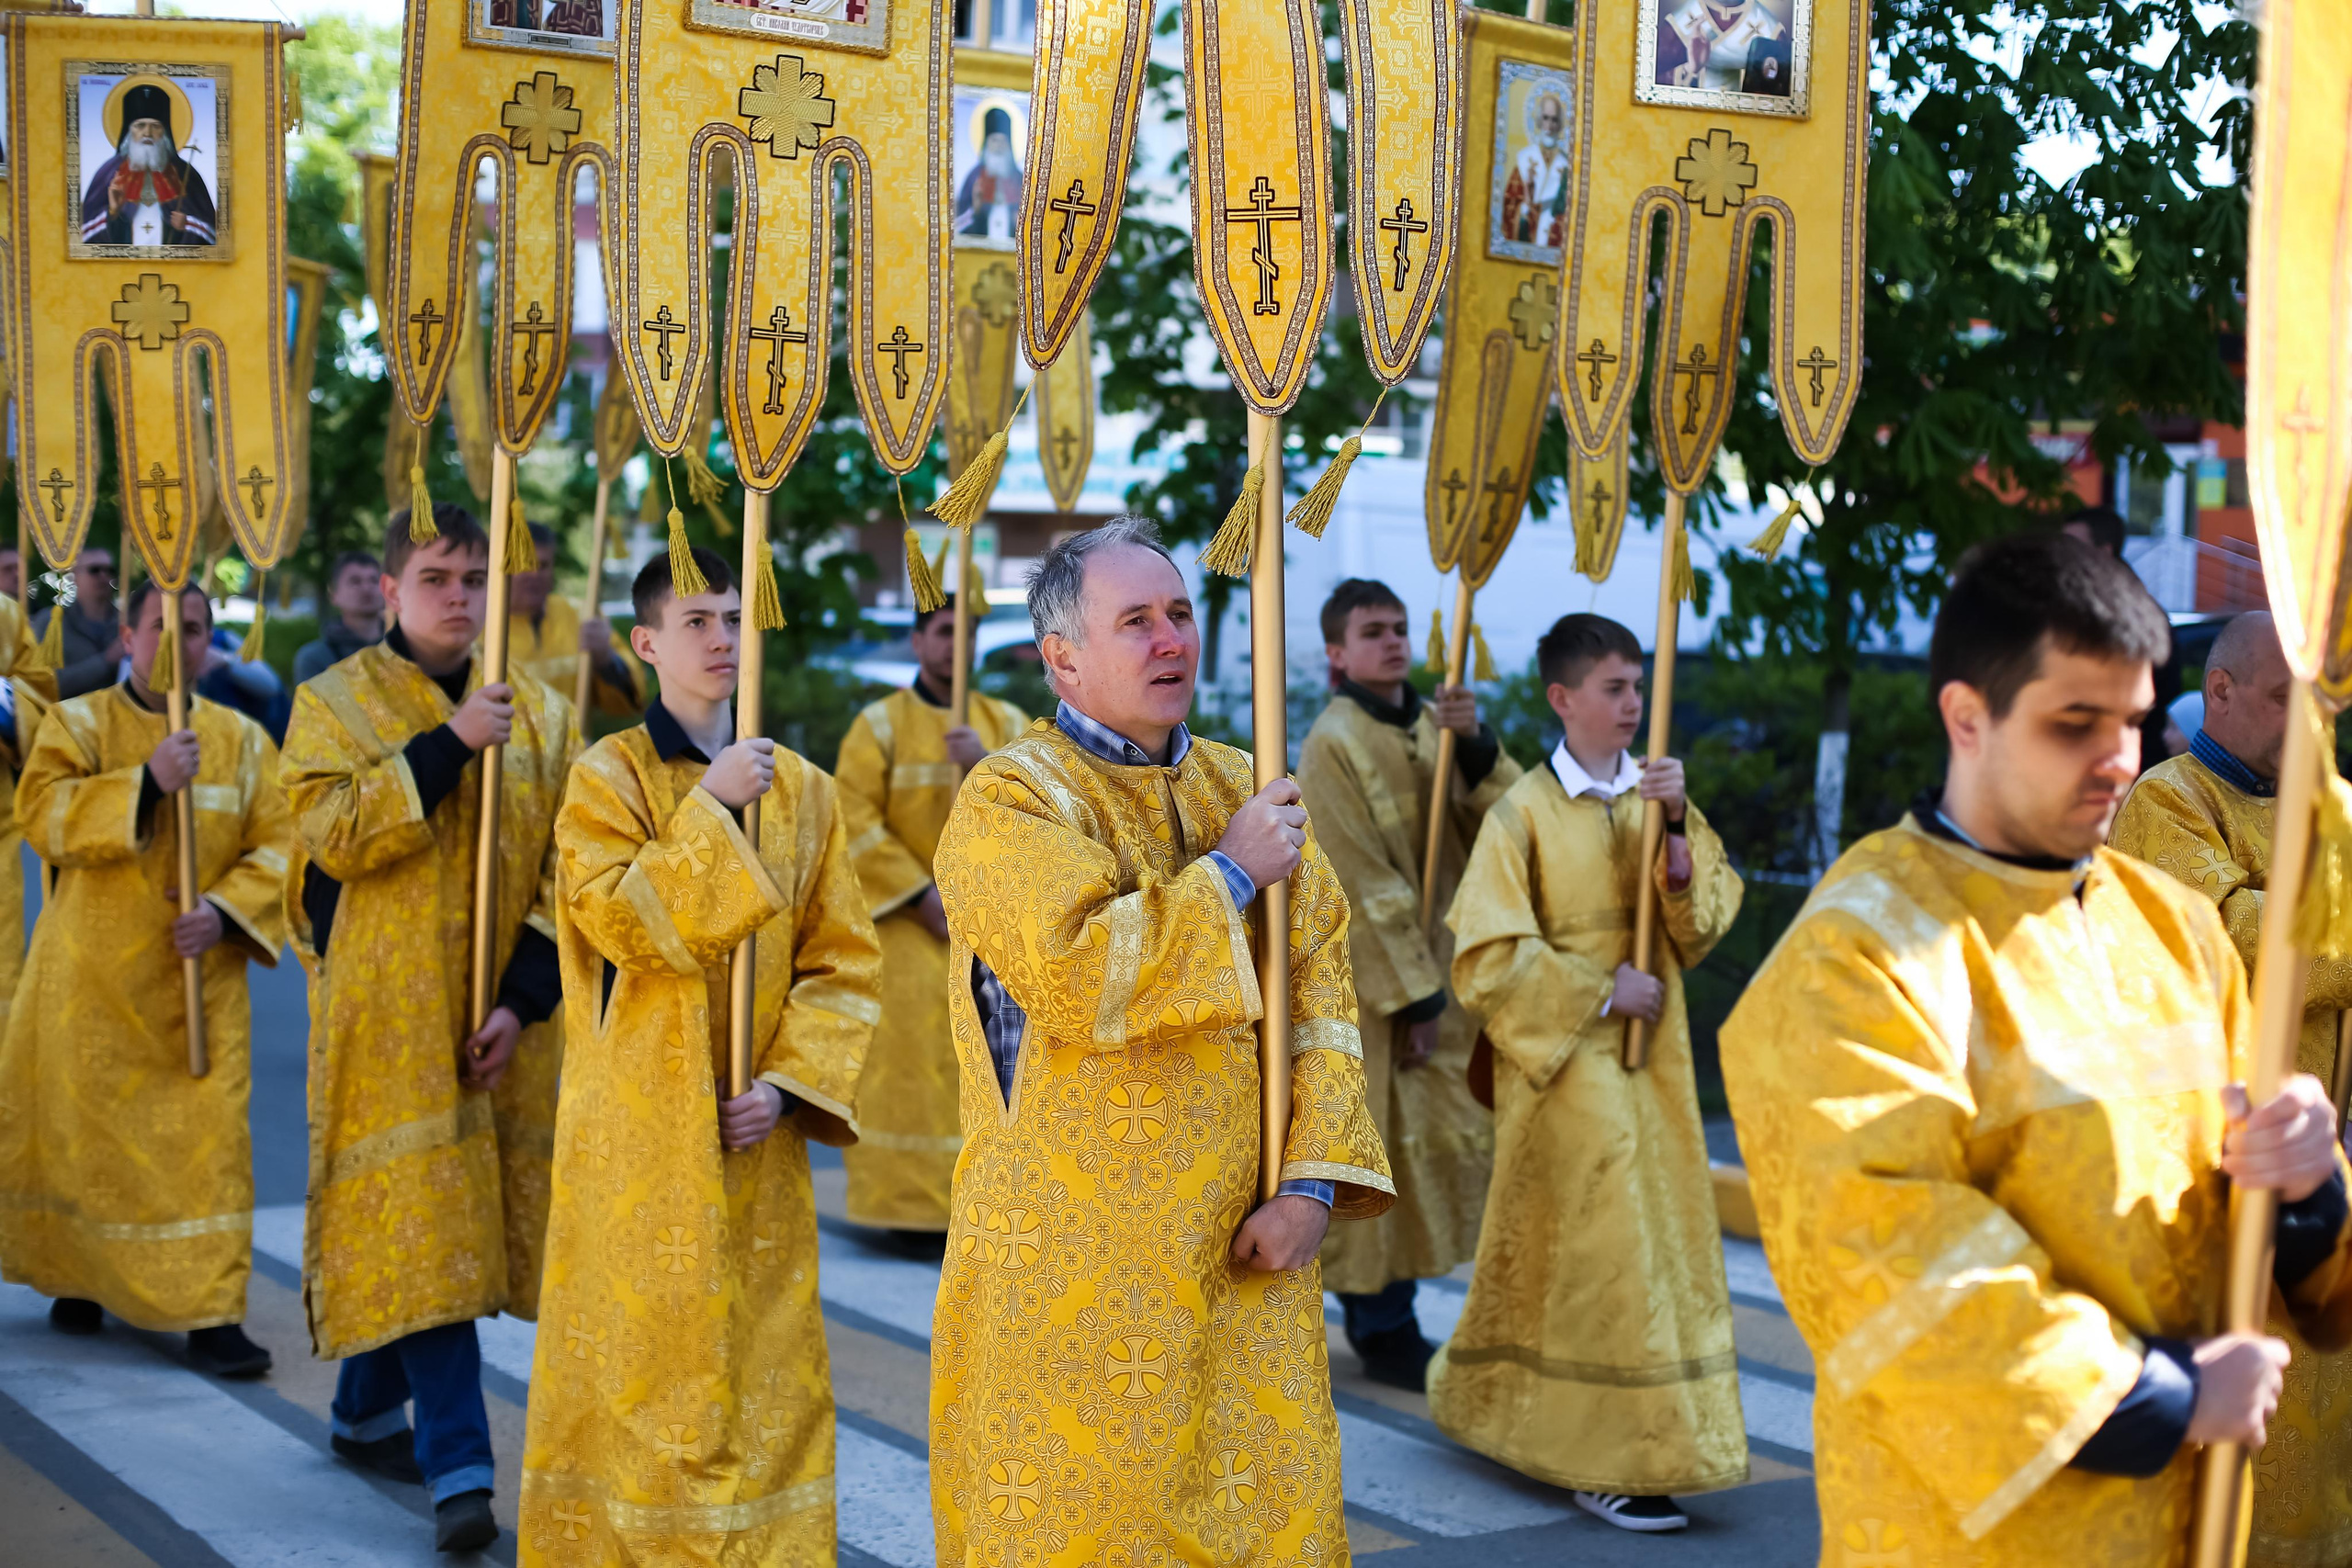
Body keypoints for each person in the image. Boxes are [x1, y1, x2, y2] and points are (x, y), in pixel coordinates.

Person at [1722, 534, 2352, 1565]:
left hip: (2193, 1527)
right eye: (2075, 724)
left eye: (2134, 722)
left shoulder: (2173, 926)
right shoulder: (1857, 952)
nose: (2118, 759)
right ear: (1967, 717)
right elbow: (1885, 1255)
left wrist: (2306, 1187)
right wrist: (2168, 1394)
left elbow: (2252, 1172)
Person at [929, 517, 1392, 1564]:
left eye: (1179, 613)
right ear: (1063, 658)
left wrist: (1310, 1188)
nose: (1170, 639)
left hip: (1244, 1240)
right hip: (1069, 1262)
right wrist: (1228, 877)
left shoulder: (1248, 782)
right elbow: (1077, 973)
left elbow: (1322, 991)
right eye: (1133, 620)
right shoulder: (1009, 797)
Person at [520, 547, 880, 1562]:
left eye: (733, 617)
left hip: (753, 1132)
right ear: (645, 645)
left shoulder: (804, 790)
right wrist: (713, 810)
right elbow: (619, 926)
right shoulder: (608, 777)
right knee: (646, 1361)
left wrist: (784, 1084)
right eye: (696, 622)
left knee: (760, 1361)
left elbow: (843, 960)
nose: (721, 638)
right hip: (637, 1134)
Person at [279, 504, 575, 1555]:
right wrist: (449, 746)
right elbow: (331, 834)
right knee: (425, 1227)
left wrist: (518, 1001)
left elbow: (563, 874)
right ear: (393, 588)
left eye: (478, 576)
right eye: (438, 576)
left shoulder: (543, 712)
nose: (460, 595)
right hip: (389, 1017)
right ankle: (460, 1468)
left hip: (500, 1022)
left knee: (426, 1233)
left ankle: (364, 1410)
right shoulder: (333, 701)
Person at [1428, 613, 1746, 1531]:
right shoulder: (1518, 811)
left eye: (1638, 687)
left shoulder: (1654, 796)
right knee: (1606, 1245)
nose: (1633, 705)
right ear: (1562, 699)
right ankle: (1600, 1453)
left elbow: (1700, 922)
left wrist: (1679, 842)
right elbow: (1485, 958)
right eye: (1613, 689)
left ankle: (1654, 1435)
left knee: (1661, 1236)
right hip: (1566, 1061)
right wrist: (1601, 991)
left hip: (1658, 1055)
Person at [2109, 609, 2352, 1568]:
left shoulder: (2330, 808)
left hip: (2323, 1163)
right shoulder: (2164, 801)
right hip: (2216, 1163)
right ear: (2220, 692)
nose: (2315, 729)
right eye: (2293, 702)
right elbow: (2238, 947)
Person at [0, 583, 291, 1376]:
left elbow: (280, 842)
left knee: (208, 1145)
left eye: (196, 630)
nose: (180, 642)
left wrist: (228, 912)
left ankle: (210, 1311)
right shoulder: (80, 723)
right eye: (165, 626)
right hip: (92, 985)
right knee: (86, 1143)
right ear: (130, 635)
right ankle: (83, 1275)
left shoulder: (240, 738)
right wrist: (145, 784)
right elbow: (43, 815)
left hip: (197, 983)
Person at [1295, 579, 1517, 1390]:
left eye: (1398, 628)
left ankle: (1406, 1303)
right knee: (1377, 1145)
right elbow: (1357, 879)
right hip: (1380, 987)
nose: (1391, 643)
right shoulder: (1334, 741)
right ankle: (1378, 1319)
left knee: (1439, 1149)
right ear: (1337, 651)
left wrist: (1480, 745)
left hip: (1449, 966)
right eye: (1372, 631)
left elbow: (1508, 821)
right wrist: (1415, 996)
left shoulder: (1436, 725)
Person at [833, 595, 1024, 1238]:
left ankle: (990, 1200)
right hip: (911, 926)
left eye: (965, 633)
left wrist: (980, 765)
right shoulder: (879, 725)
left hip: (993, 929)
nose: (954, 645)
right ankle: (910, 1211)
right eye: (942, 632)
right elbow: (853, 821)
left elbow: (1044, 812)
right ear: (918, 642)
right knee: (912, 1062)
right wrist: (921, 894)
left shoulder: (1007, 724)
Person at [506, 522, 644, 720]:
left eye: (543, 565)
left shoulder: (583, 615)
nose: (535, 574)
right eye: (525, 564)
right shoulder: (478, 625)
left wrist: (605, 659)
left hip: (574, 747)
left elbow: (629, 702)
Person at [79, 82, 217, 247]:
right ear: (129, 133)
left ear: (165, 133)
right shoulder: (109, 173)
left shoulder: (185, 173)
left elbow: (213, 233)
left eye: (155, 126)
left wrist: (187, 224)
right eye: (140, 126)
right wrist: (113, 212)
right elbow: (84, 235)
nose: (147, 133)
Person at [34, 548, 125, 700]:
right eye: (94, 570)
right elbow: (44, 683)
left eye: (109, 570)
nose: (103, 576)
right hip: (66, 719)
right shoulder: (51, 622)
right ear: (75, 576)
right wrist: (105, 661)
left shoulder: (128, 622)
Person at [292, 550, 386, 685]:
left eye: (374, 580)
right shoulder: (316, 658)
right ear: (334, 595)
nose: (366, 588)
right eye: (355, 581)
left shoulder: (405, 650)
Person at [1500, 86, 1569, 250]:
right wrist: (1525, 208)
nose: (1550, 126)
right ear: (1538, 121)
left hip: (1554, 237)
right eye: (1546, 118)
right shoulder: (1525, 159)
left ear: (1560, 125)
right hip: (1527, 236)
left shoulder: (1567, 164)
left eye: (1555, 120)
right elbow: (1510, 203)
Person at [954, 105, 1023, 243]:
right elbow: (957, 227)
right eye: (994, 140)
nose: (998, 146)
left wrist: (1020, 222)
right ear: (986, 143)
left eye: (1002, 141)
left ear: (1009, 144)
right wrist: (975, 209)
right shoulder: (974, 178)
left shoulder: (1021, 180)